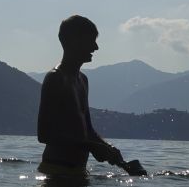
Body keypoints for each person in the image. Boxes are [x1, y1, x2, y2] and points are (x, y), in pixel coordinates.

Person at [37, 15, 140, 176]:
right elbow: (44, 135)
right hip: (56, 171)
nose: (96, 47)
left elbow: (88, 130)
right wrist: (91, 147)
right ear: (74, 41)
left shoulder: (82, 80)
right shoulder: (55, 79)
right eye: (91, 40)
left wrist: (108, 148)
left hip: (78, 171)